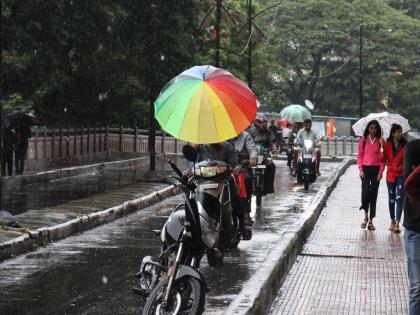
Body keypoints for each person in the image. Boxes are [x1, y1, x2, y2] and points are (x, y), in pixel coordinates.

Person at [192, 142, 251, 239]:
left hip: (223, 180)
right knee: (191, 197)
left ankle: (242, 224)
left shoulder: (227, 146)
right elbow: (193, 164)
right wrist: (194, 148)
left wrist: (237, 168)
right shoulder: (200, 147)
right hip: (203, 182)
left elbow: (235, 163)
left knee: (235, 198)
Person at [357, 120, 384, 231]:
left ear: (377, 130)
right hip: (365, 169)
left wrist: (381, 172)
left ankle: (371, 220)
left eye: (375, 128)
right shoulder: (363, 140)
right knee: (366, 193)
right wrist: (360, 169)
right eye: (371, 128)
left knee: (374, 194)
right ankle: (365, 216)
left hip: (376, 170)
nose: (373, 130)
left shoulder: (380, 141)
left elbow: (383, 159)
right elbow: (359, 156)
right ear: (368, 128)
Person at [403, 139, 420, 315]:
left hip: (412, 230)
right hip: (415, 230)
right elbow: (409, 184)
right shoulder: (413, 147)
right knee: (416, 286)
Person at [231, 131, 258, 231]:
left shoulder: (246, 136)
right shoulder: (222, 136)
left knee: (246, 179)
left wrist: (253, 158)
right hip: (224, 166)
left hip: (241, 166)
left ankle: (246, 211)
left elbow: (252, 149)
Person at [381, 124, 407, 233]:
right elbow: (383, 160)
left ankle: (397, 222)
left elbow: (406, 160)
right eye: (398, 132)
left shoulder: (405, 145)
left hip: (401, 175)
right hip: (390, 176)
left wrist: (400, 167)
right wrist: (380, 147)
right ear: (393, 134)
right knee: (391, 198)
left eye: (401, 132)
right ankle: (392, 220)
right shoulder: (387, 145)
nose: (400, 134)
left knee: (399, 197)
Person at [248, 114, 276, 194]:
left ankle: (269, 187)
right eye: (261, 122)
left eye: (264, 122)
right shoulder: (251, 131)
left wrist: (274, 147)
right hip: (252, 154)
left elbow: (273, 141)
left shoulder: (268, 132)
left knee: (271, 166)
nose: (263, 124)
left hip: (264, 154)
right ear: (256, 122)